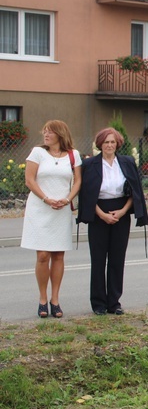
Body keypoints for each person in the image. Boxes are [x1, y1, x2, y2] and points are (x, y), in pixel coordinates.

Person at [77, 128, 148, 315]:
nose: (109, 145)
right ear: (99, 144)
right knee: (99, 260)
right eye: (106, 142)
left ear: (118, 144)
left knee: (117, 259)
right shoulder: (90, 164)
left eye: (112, 142)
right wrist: (102, 214)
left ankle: (114, 302)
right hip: (98, 212)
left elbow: (135, 190)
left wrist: (123, 211)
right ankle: (99, 303)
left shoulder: (127, 162)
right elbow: (86, 194)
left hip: (121, 212)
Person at [21, 120, 82, 318]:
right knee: (42, 256)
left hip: (61, 209)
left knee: (58, 255)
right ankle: (42, 298)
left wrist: (67, 199)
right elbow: (29, 180)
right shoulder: (37, 152)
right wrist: (46, 199)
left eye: (50, 132)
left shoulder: (73, 155)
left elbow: (78, 180)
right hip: (40, 208)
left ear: (60, 134)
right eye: (44, 131)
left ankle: (55, 300)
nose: (46, 134)